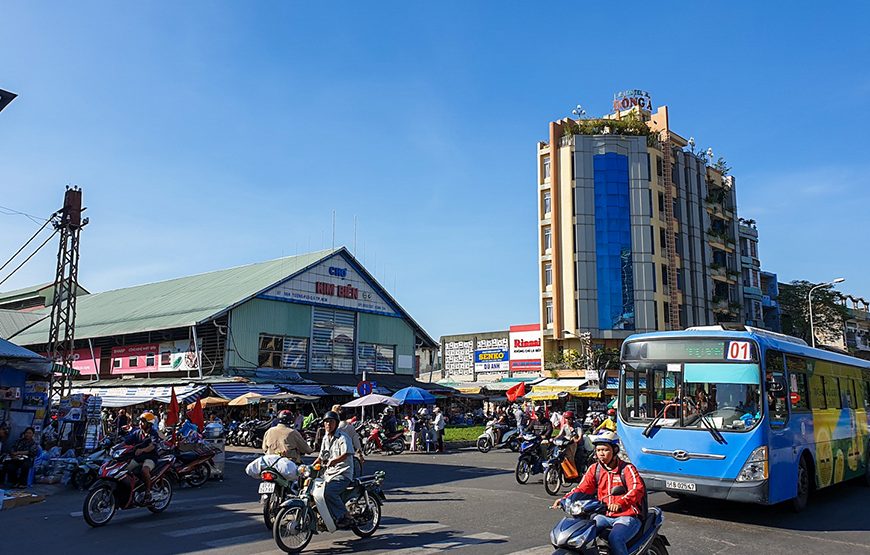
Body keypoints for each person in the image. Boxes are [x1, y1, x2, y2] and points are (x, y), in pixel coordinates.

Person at [551, 431, 646, 555]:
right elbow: (582, 488)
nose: (601, 453)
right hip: (603, 515)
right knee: (581, 534)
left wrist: (620, 502)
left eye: (605, 450)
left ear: (615, 450)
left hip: (626, 516)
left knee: (615, 539)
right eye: (598, 450)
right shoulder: (595, 469)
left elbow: (637, 489)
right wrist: (565, 499)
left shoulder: (627, 469)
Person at [312, 411, 354, 529]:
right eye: (326, 422)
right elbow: (321, 457)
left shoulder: (343, 437)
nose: (328, 424)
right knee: (313, 491)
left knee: (329, 492)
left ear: (336, 423)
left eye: (331, 421)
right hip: (328, 474)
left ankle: (344, 516)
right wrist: (310, 467)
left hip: (342, 473)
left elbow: (346, 453)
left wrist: (334, 461)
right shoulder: (325, 437)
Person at [124, 413, 159, 501]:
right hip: (138, 457)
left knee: (145, 470)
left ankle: (148, 491)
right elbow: (126, 441)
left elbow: (152, 446)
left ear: (149, 424)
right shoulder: (137, 432)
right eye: (140, 421)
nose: (140, 423)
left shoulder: (153, 433)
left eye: (143, 422)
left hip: (150, 457)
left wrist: (142, 450)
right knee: (124, 470)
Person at [332, 405, 364, 477]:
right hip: (349, 454)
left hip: (335, 453)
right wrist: (360, 454)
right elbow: (356, 442)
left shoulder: (334, 428)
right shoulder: (350, 427)